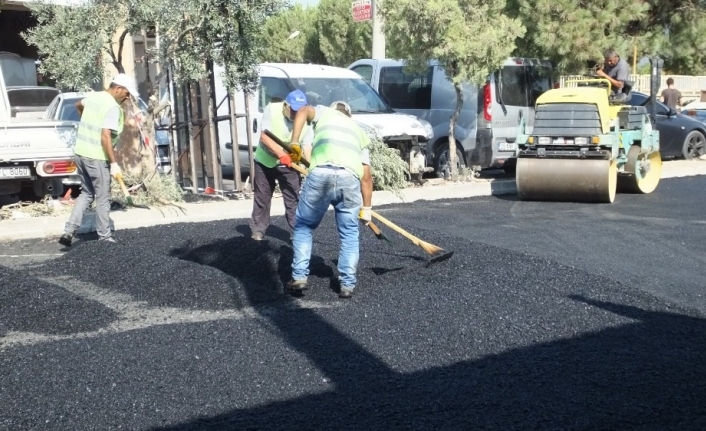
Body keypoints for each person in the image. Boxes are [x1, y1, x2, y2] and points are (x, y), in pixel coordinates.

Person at [286, 101, 373, 299]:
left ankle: (299, 277)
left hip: (321, 174)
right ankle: (347, 284)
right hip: (350, 179)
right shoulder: (358, 132)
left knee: (304, 226)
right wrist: (366, 208)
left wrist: (294, 142)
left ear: (334, 111)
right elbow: (366, 177)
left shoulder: (325, 113)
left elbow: (302, 110)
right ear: (349, 116)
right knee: (349, 233)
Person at [58, 73, 139, 247]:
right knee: (103, 198)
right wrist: (114, 163)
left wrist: (86, 119)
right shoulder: (112, 108)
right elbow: (105, 137)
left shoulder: (95, 97)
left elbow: (78, 104)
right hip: (96, 157)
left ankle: (69, 231)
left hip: (80, 153)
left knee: (87, 194)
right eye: (126, 93)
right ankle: (105, 238)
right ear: (117, 89)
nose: (128, 97)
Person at [249, 89, 313, 241]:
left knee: (293, 200)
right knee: (262, 198)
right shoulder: (271, 109)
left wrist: (309, 167)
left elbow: (307, 145)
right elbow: (265, 136)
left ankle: (297, 234)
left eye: (298, 111)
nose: (295, 114)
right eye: (292, 110)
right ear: (285, 105)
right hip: (265, 162)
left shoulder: (306, 119)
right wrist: (281, 154)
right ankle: (258, 230)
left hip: (290, 166)